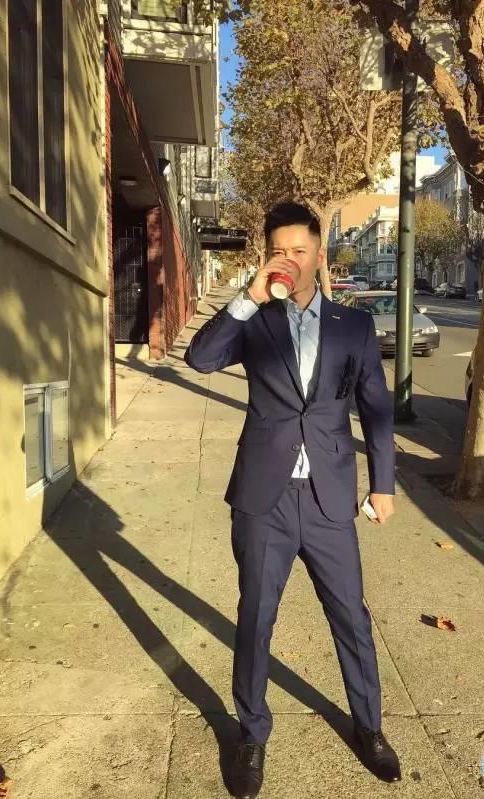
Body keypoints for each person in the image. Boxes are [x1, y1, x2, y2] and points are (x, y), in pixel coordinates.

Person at [185, 201, 400, 798]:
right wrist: (248, 297)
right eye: (279, 251)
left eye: (299, 251)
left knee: (351, 617)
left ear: (318, 256)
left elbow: (376, 408)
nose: (289, 260)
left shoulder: (354, 325)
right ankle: (251, 734)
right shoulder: (255, 318)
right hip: (265, 498)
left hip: (330, 497)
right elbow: (200, 359)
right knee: (256, 618)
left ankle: (369, 727)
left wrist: (383, 483)